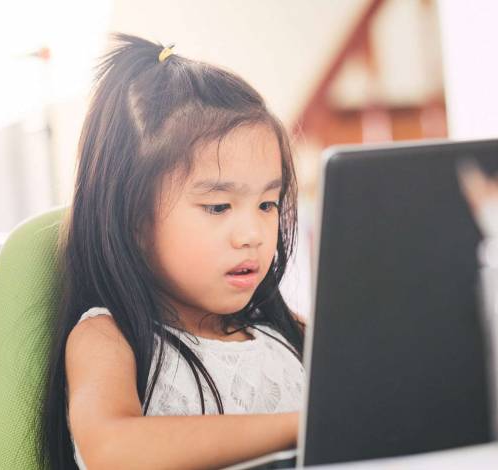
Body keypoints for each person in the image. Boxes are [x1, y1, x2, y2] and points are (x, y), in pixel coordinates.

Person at [38, 33, 306, 470]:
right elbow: (112, 449)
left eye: (267, 204)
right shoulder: (110, 337)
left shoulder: (281, 332)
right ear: (134, 220)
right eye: (218, 206)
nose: (253, 233)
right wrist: (299, 426)